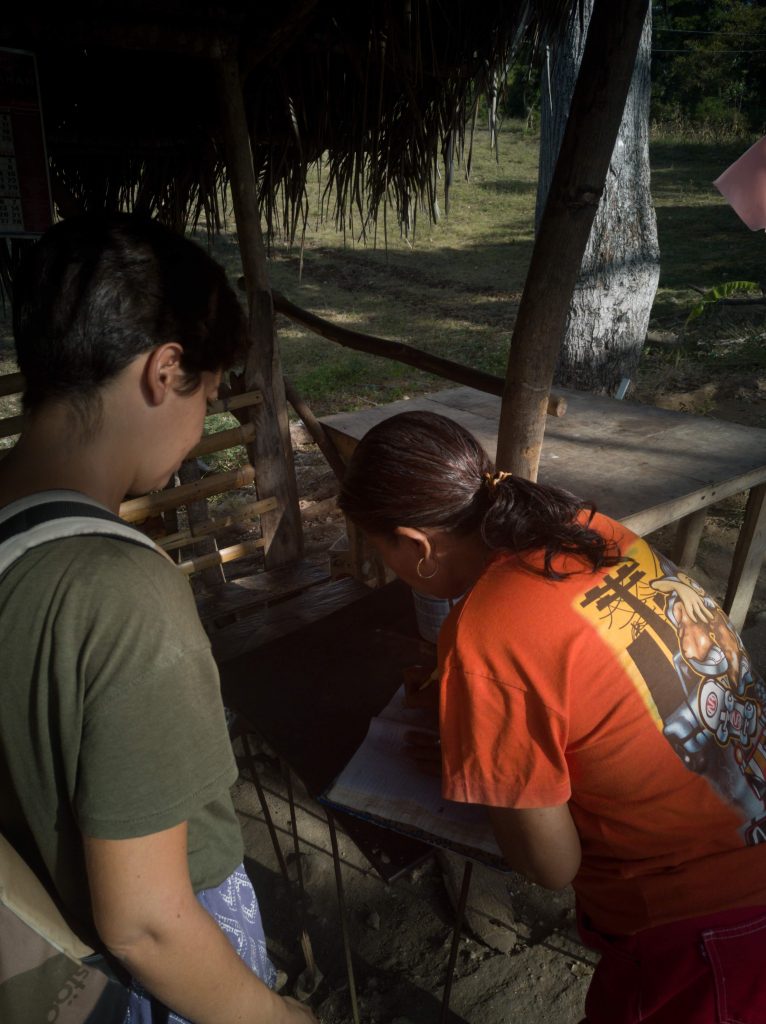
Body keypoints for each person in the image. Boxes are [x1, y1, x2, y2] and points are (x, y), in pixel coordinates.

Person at [339, 409, 766, 1024]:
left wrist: (498, 785)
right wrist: (492, 753)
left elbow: (550, 867)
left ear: (417, 545)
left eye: (382, 551)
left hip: (705, 937)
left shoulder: (487, 633)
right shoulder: (586, 528)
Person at [0, 213, 317, 1024]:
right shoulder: (119, 591)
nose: (199, 425)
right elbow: (147, 924)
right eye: (207, 398)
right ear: (165, 371)